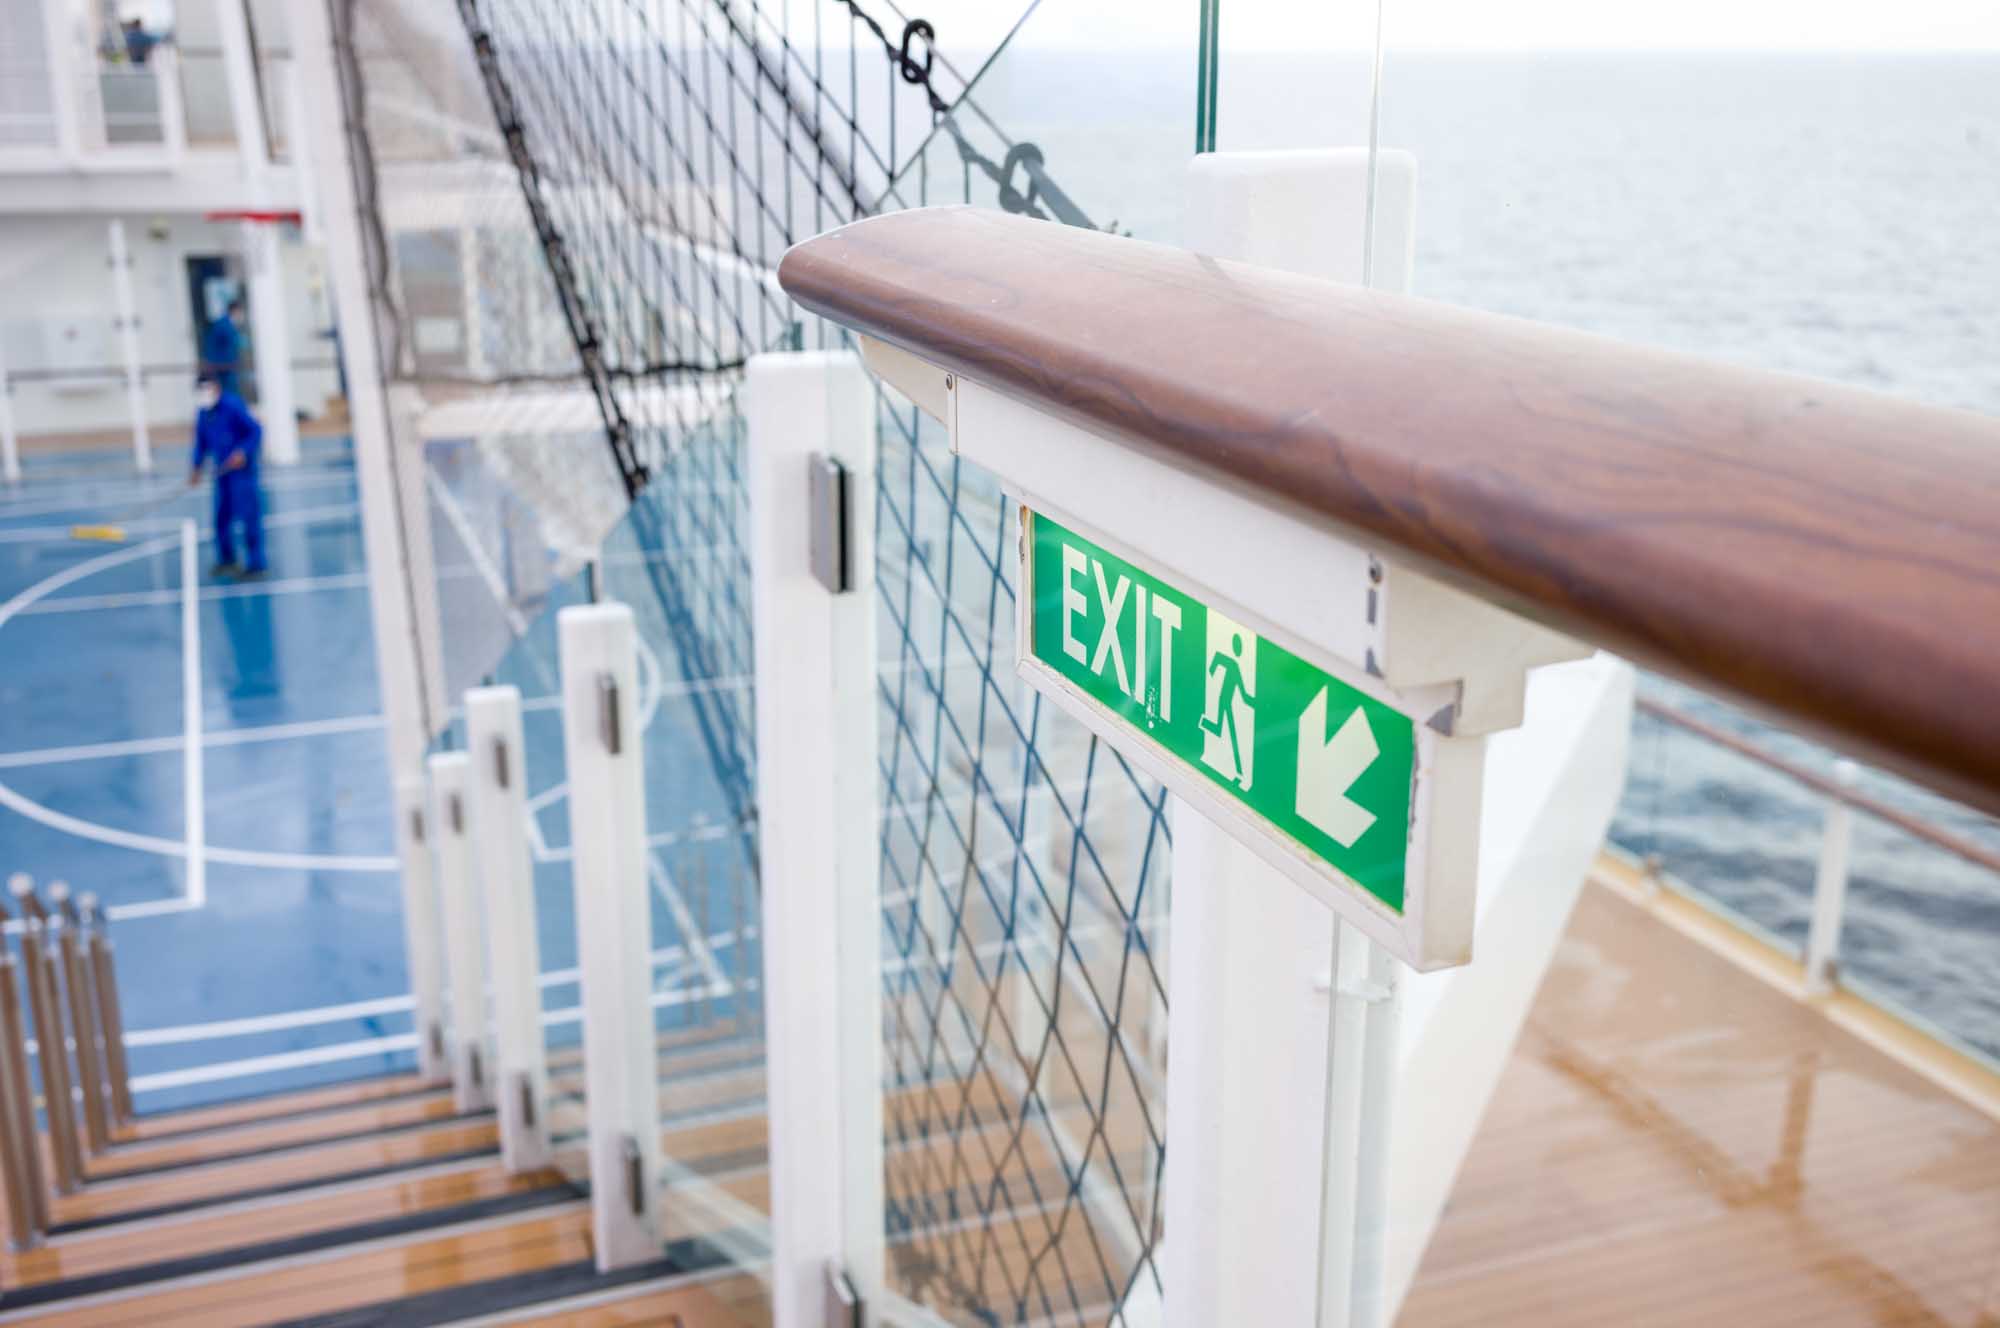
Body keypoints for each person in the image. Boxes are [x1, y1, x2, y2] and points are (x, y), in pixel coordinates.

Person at [188, 371, 266, 579]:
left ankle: (256, 564)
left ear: (215, 387)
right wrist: (196, 468)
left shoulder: (233, 405)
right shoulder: (203, 412)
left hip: (242, 473)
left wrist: (243, 452)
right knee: (221, 517)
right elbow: (201, 442)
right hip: (221, 473)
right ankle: (227, 559)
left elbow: (255, 431)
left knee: (249, 517)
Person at [201, 298, 247, 396]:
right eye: (241, 312)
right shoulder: (223, 325)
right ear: (235, 310)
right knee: (225, 394)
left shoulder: (229, 325)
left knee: (230, 394)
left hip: (227, 368)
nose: (242, 316)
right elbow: (211, 346)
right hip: (221, 369)